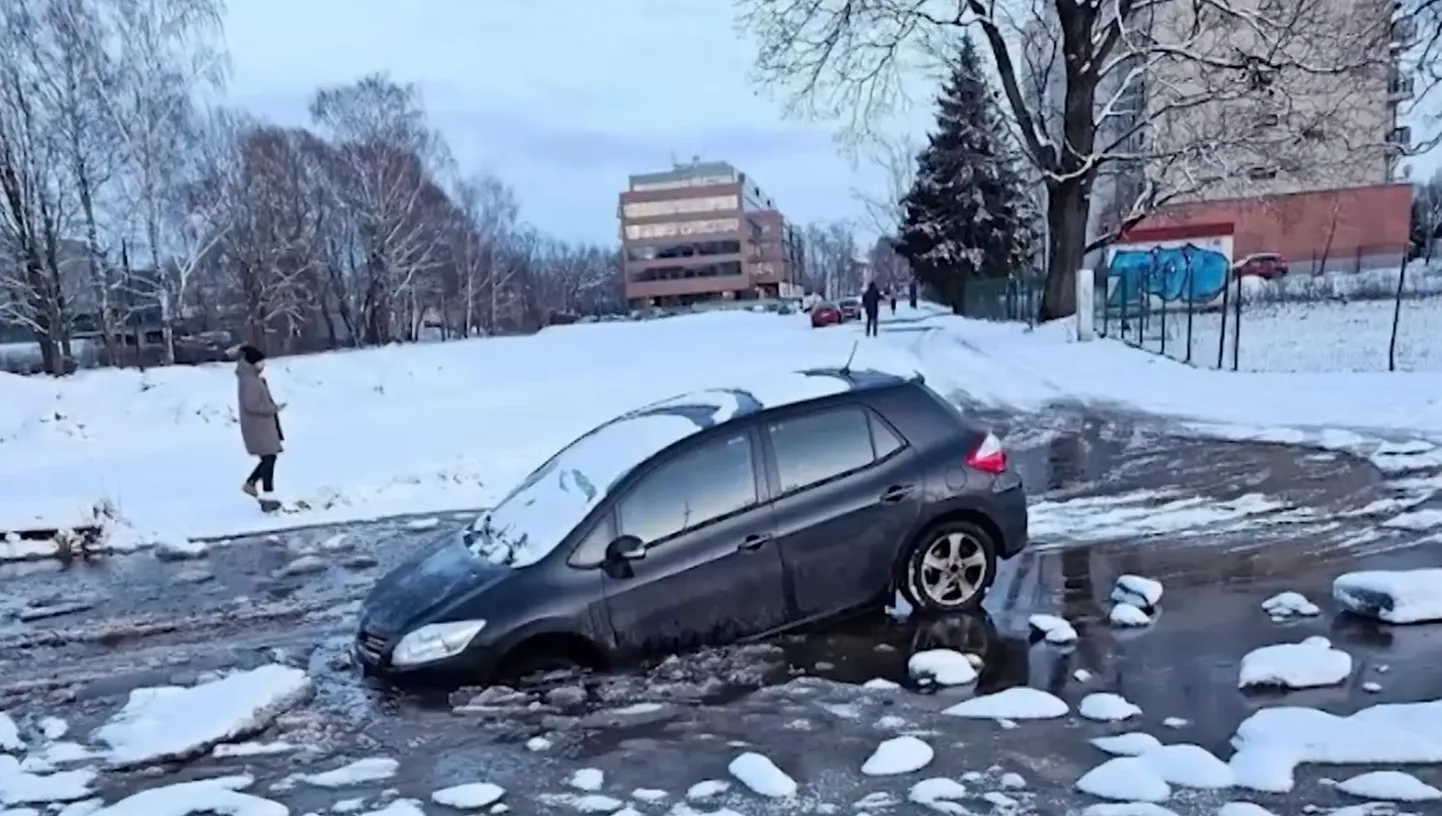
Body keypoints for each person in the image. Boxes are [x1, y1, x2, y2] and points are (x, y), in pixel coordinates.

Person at [235, 344, 285, 499]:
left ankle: (255, 486)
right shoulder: (249, 381)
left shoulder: (252, 378)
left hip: (261, 426)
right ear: (253, 362)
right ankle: (265, 492)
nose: (263, 365)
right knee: (269, 457)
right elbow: (252, 405)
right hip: (258, 427)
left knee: (269, 457)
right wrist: (272, 408)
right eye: (261, 362)